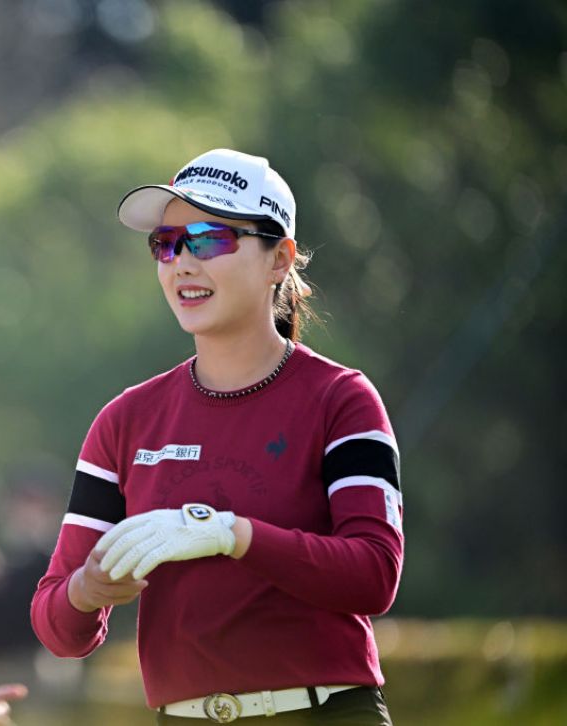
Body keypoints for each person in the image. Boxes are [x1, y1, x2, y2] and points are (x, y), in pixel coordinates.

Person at [31, 149, 402, 724]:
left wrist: (232, 534)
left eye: (209, 239)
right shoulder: (125, 421)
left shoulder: (343, 399)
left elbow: (374, 574)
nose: (181, 262)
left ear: (279, 259)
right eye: (166, 243)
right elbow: (58, 626)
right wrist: (89, 588)